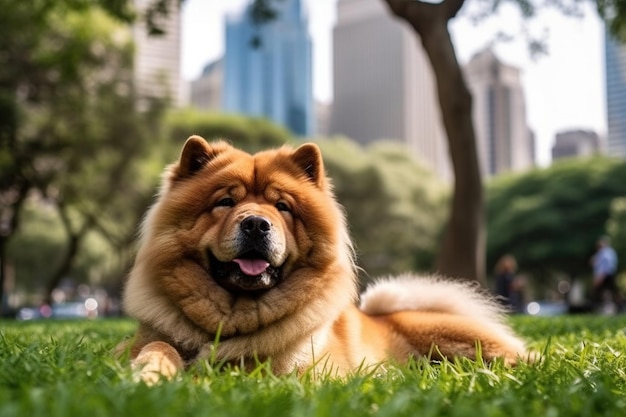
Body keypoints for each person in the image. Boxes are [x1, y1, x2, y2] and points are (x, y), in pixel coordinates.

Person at [591, 236, 621, 312]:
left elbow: (606, 266)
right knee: (613, 291)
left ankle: (597, 308)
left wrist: (601, 276)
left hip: (606, 275)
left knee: (599, 292)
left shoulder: (606, 252)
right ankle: (618, 307)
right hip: (608, 275)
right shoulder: (605, 252)